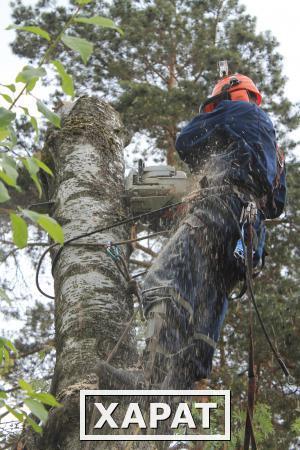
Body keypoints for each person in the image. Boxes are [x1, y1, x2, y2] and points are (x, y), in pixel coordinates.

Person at [142, 72, 286, 389]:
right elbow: (276, 205)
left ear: (228, 95)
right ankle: (188, 381)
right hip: (247, 235)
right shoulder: (275, 149)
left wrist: (214, 150)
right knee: (211, 294)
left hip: (219, 209)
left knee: (163, 280)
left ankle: (150, 373)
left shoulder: (234, 110)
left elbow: (186, 141)